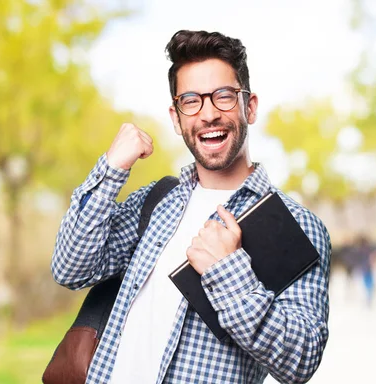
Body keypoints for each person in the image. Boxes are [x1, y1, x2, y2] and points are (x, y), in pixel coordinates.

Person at [50, 30, 331, 384]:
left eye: (224, 96)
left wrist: (230, 273)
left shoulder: (297, 226)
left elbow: (300, 361)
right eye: (191, 100)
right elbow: (70, 269)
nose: (208, 113)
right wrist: (110, 170)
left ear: (251, 107)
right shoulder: (156, 202)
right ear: (176, 116)